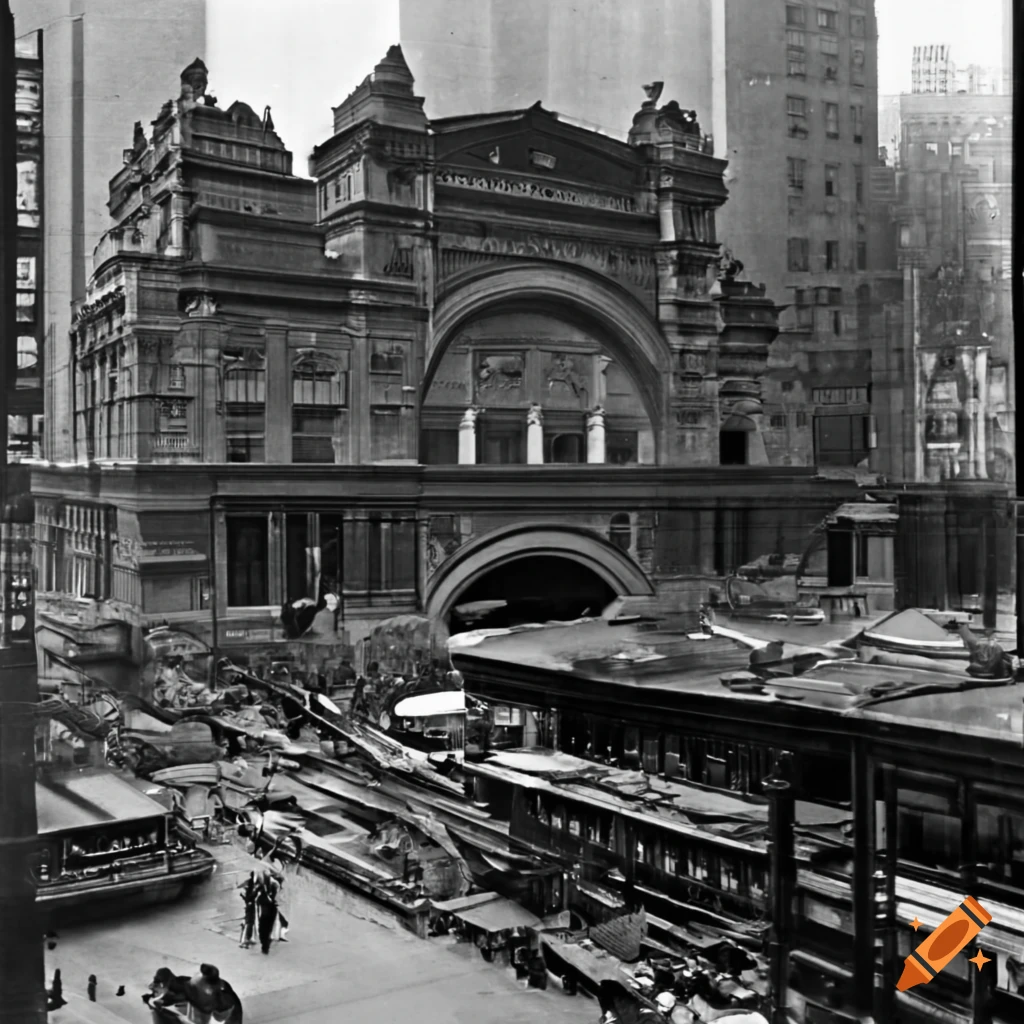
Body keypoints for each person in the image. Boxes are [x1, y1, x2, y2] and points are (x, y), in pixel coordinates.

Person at [255, 870, 280, 955]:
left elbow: (276, 898)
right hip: (264, 912)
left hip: (270, 911)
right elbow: (257, 898)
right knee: (262, 930)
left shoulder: (274, 885)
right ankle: (265, 943)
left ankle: (265, 946)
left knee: (267, 929)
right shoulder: (262, 886)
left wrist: (269, 896)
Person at [238, 871, 258, 948]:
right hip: (250, 905)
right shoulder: (252, 885)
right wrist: (256, 891)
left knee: (250, 922)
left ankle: (248, 938)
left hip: (249, 904)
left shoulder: (250, 883)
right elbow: (251, 896)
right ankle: (245, 940)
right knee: (249, 922)